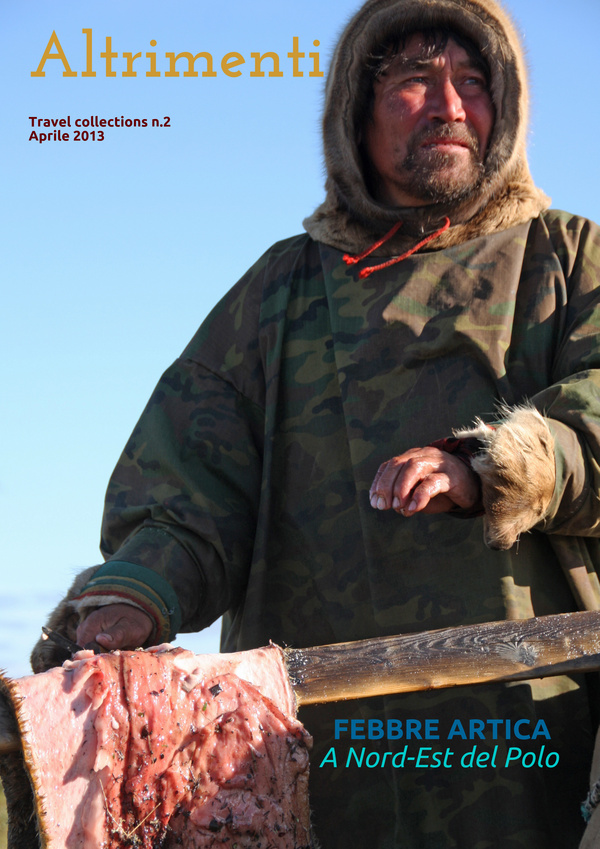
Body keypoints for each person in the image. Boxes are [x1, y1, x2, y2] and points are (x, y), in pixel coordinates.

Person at [33, 0, 600, 846]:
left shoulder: (566, 257)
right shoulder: (279, 292)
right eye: (415, 79)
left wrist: (502, 462)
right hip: (318, 749)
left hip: (533, 732)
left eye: (474, 80)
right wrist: (134, 594)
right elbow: (189, 485)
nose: (450, 104)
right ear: (354, 111)